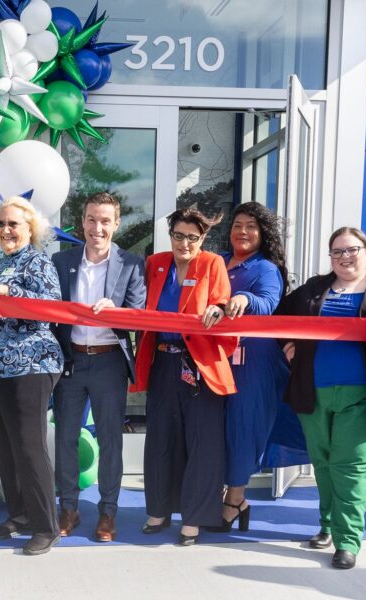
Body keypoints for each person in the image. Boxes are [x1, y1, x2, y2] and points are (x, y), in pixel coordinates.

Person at [276, 226, 366, 570]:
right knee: (324, 463)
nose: (345, 257)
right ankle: (327, 525)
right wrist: (287, 343)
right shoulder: (314, 289)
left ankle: (347, 541)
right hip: (313, 393)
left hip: (365, 395)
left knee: (352, 467)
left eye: (351, 249)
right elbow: (278, 317)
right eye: (337, 252)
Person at [132, 207, 236, 547]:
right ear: (170, 235)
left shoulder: (212, 264)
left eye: (193, 237)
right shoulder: (155, 263)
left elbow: (221, 301)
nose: (185, 243)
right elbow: (136, 303)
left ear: (203, 238)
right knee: (160, 439)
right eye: (179, 235)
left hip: (200, 366)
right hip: (163, 363)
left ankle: (194, 518)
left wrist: (218, 309)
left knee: (203, 445)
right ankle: (158, 510)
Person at [0, 196, 64, 556]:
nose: (7, 230)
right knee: (5, 448)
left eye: (14, 224)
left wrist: (12, 291)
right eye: (1, 224)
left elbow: (51, 306)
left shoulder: (37, 261)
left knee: (29, 447)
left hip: (29, 366)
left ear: (31, 229)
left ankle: (46, 526)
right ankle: (20, 515)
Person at [51, 192, 146, 542]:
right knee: (65, 438)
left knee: (110, 441)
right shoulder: (62, 262)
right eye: (92, 219)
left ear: (116, 224)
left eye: (105, 220)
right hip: (71, 361)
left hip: (109, 362)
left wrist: (116, 312)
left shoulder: (133, 264)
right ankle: (69, 508)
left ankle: (108, 512)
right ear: (83, 221)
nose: (97, 227)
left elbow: (138, 315)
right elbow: (48, 311)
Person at [208, 203, 289, 533]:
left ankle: (235, 500)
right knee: (214, 430)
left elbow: (268, 303)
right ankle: (214, 494)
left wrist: (244, 298)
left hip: (252, 363)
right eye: (237, 225)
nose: (242, 231)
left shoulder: (266, 269)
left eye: (251, 226)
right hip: (215, 360)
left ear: (262, 233)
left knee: (243, 429)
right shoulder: (218, 263)